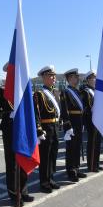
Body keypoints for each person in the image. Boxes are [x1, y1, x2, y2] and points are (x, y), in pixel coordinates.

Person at [0, 63, 34, 207]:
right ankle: (13, 194)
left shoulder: (24, 88)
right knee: (11, 162)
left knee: (24, 157)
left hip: (22, 128)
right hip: (9, 129)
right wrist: (8, 114)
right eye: (12, 72)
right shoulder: (2, 90)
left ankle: (23, 191)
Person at [33, 65, 61, 193]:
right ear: (44, 78)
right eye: (50, 76)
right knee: (45, 156)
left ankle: (50, 178)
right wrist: (38, 129)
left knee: (53, 154)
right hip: (46, 128)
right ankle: (44, 182)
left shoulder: (55, 92)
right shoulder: (39, 94)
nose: (53, 78)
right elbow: (36, 114)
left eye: (54, 75)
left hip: (55, 127)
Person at [60, 68, 87, 182]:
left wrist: (83, 122)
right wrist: (68, 126)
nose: (77, 79)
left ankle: (76, 168)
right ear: (70, 78)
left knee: (78, 146)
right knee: (71, 148)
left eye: (77, 77)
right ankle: (71, 171)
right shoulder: (66, 92)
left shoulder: (77, 91)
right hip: (72, 122)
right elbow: (64, 110)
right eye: (75, 77)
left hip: (79, 121)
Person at [81, 70, 102, 172]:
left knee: (97, 142)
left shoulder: (95, 91)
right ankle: (92, 165)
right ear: (88, 80)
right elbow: (87, 108)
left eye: (95, 78)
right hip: (91, 120)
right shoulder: (85, 91)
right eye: (93, 78)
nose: (94, 80)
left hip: (98, 119)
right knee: (92, 143)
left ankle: (96, 163)